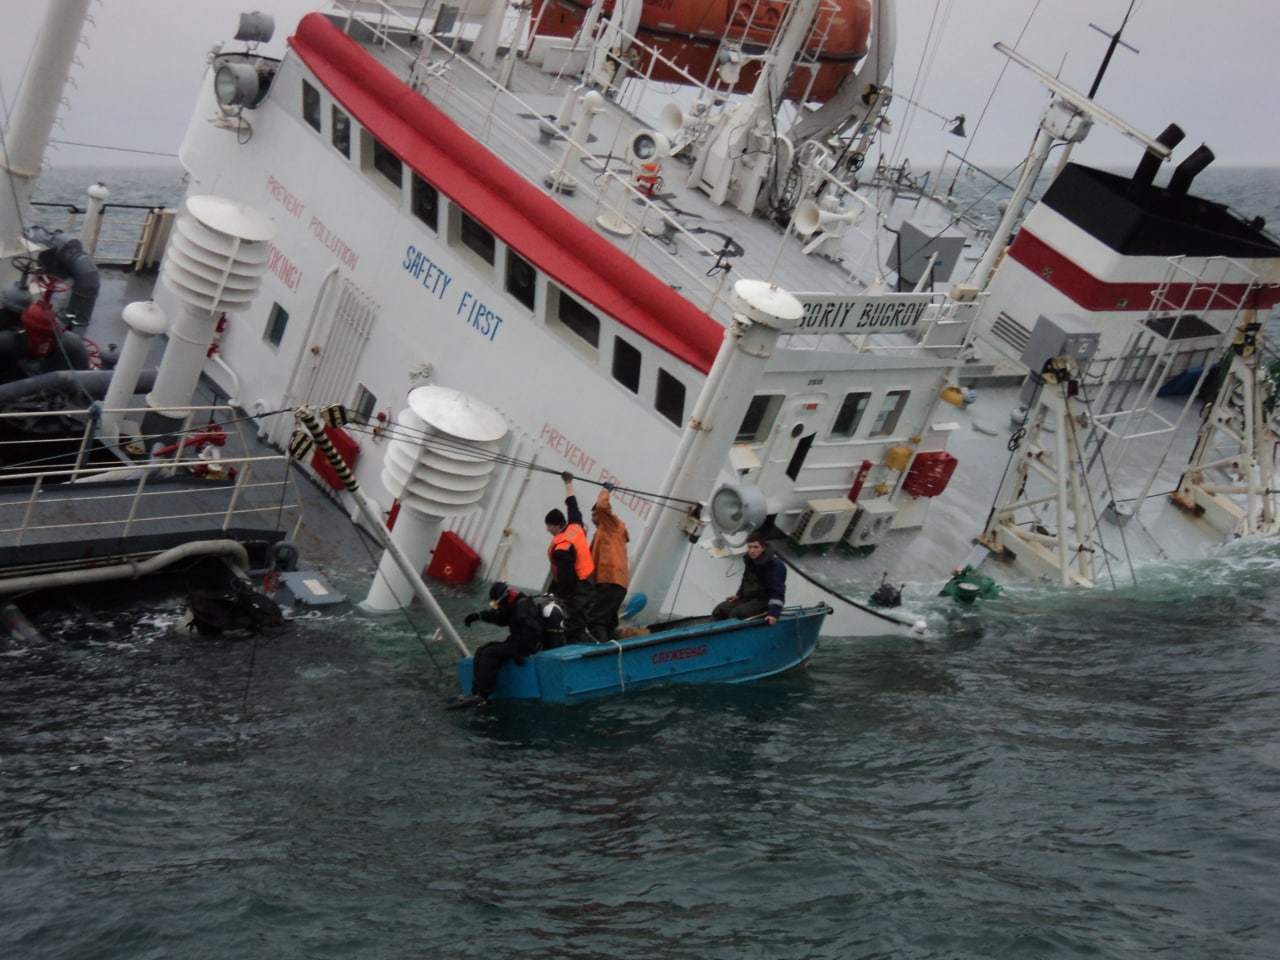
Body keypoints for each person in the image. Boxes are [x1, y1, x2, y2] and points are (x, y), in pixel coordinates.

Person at [446, 581, 543, 709]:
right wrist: (480, 616)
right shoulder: (513, 604)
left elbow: (533, 632)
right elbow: (501, 618)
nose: (496, 607)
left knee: (489, 653)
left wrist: (520, 651)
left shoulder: (523, 608)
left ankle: (483, 696)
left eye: (496, 603)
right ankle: (475, 692)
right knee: (481, 650)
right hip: (516, 642)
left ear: (505, 597)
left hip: (524, 645)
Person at [547, 472, 595, 644]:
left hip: (579, 581)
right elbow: (572, 504)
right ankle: (584, 635)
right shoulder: (576, 524)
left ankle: (576, 645)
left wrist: (560, 594)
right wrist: (568, 482)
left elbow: (566, 574)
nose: (548, 530)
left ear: (556, 525)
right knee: (582, 612)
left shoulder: (562, 546)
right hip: (589, 576)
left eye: (549, 526)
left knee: (574, 618)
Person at [712, 529, 787, 626]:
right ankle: (708, 635)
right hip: (747, 598)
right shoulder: (750, 560)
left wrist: (773, 614)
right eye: (750, 547)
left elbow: (778, 592)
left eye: (756, 547)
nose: (752, 551)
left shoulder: (775, 566)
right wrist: (739, 594)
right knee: (720, 609)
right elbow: (745, 579)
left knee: (737, 614)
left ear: (763, 548)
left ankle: (728, 637)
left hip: (763, 601)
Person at [587, 480, 629, 642]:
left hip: (608, 579)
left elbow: (602, 507)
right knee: (609, 621)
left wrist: (605, 490)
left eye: (594, 515)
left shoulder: (611, 525)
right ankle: (614, 648)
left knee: (595, 620)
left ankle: (601, 653)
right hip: (618, 583)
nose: (592, 518)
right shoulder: (610, 532)